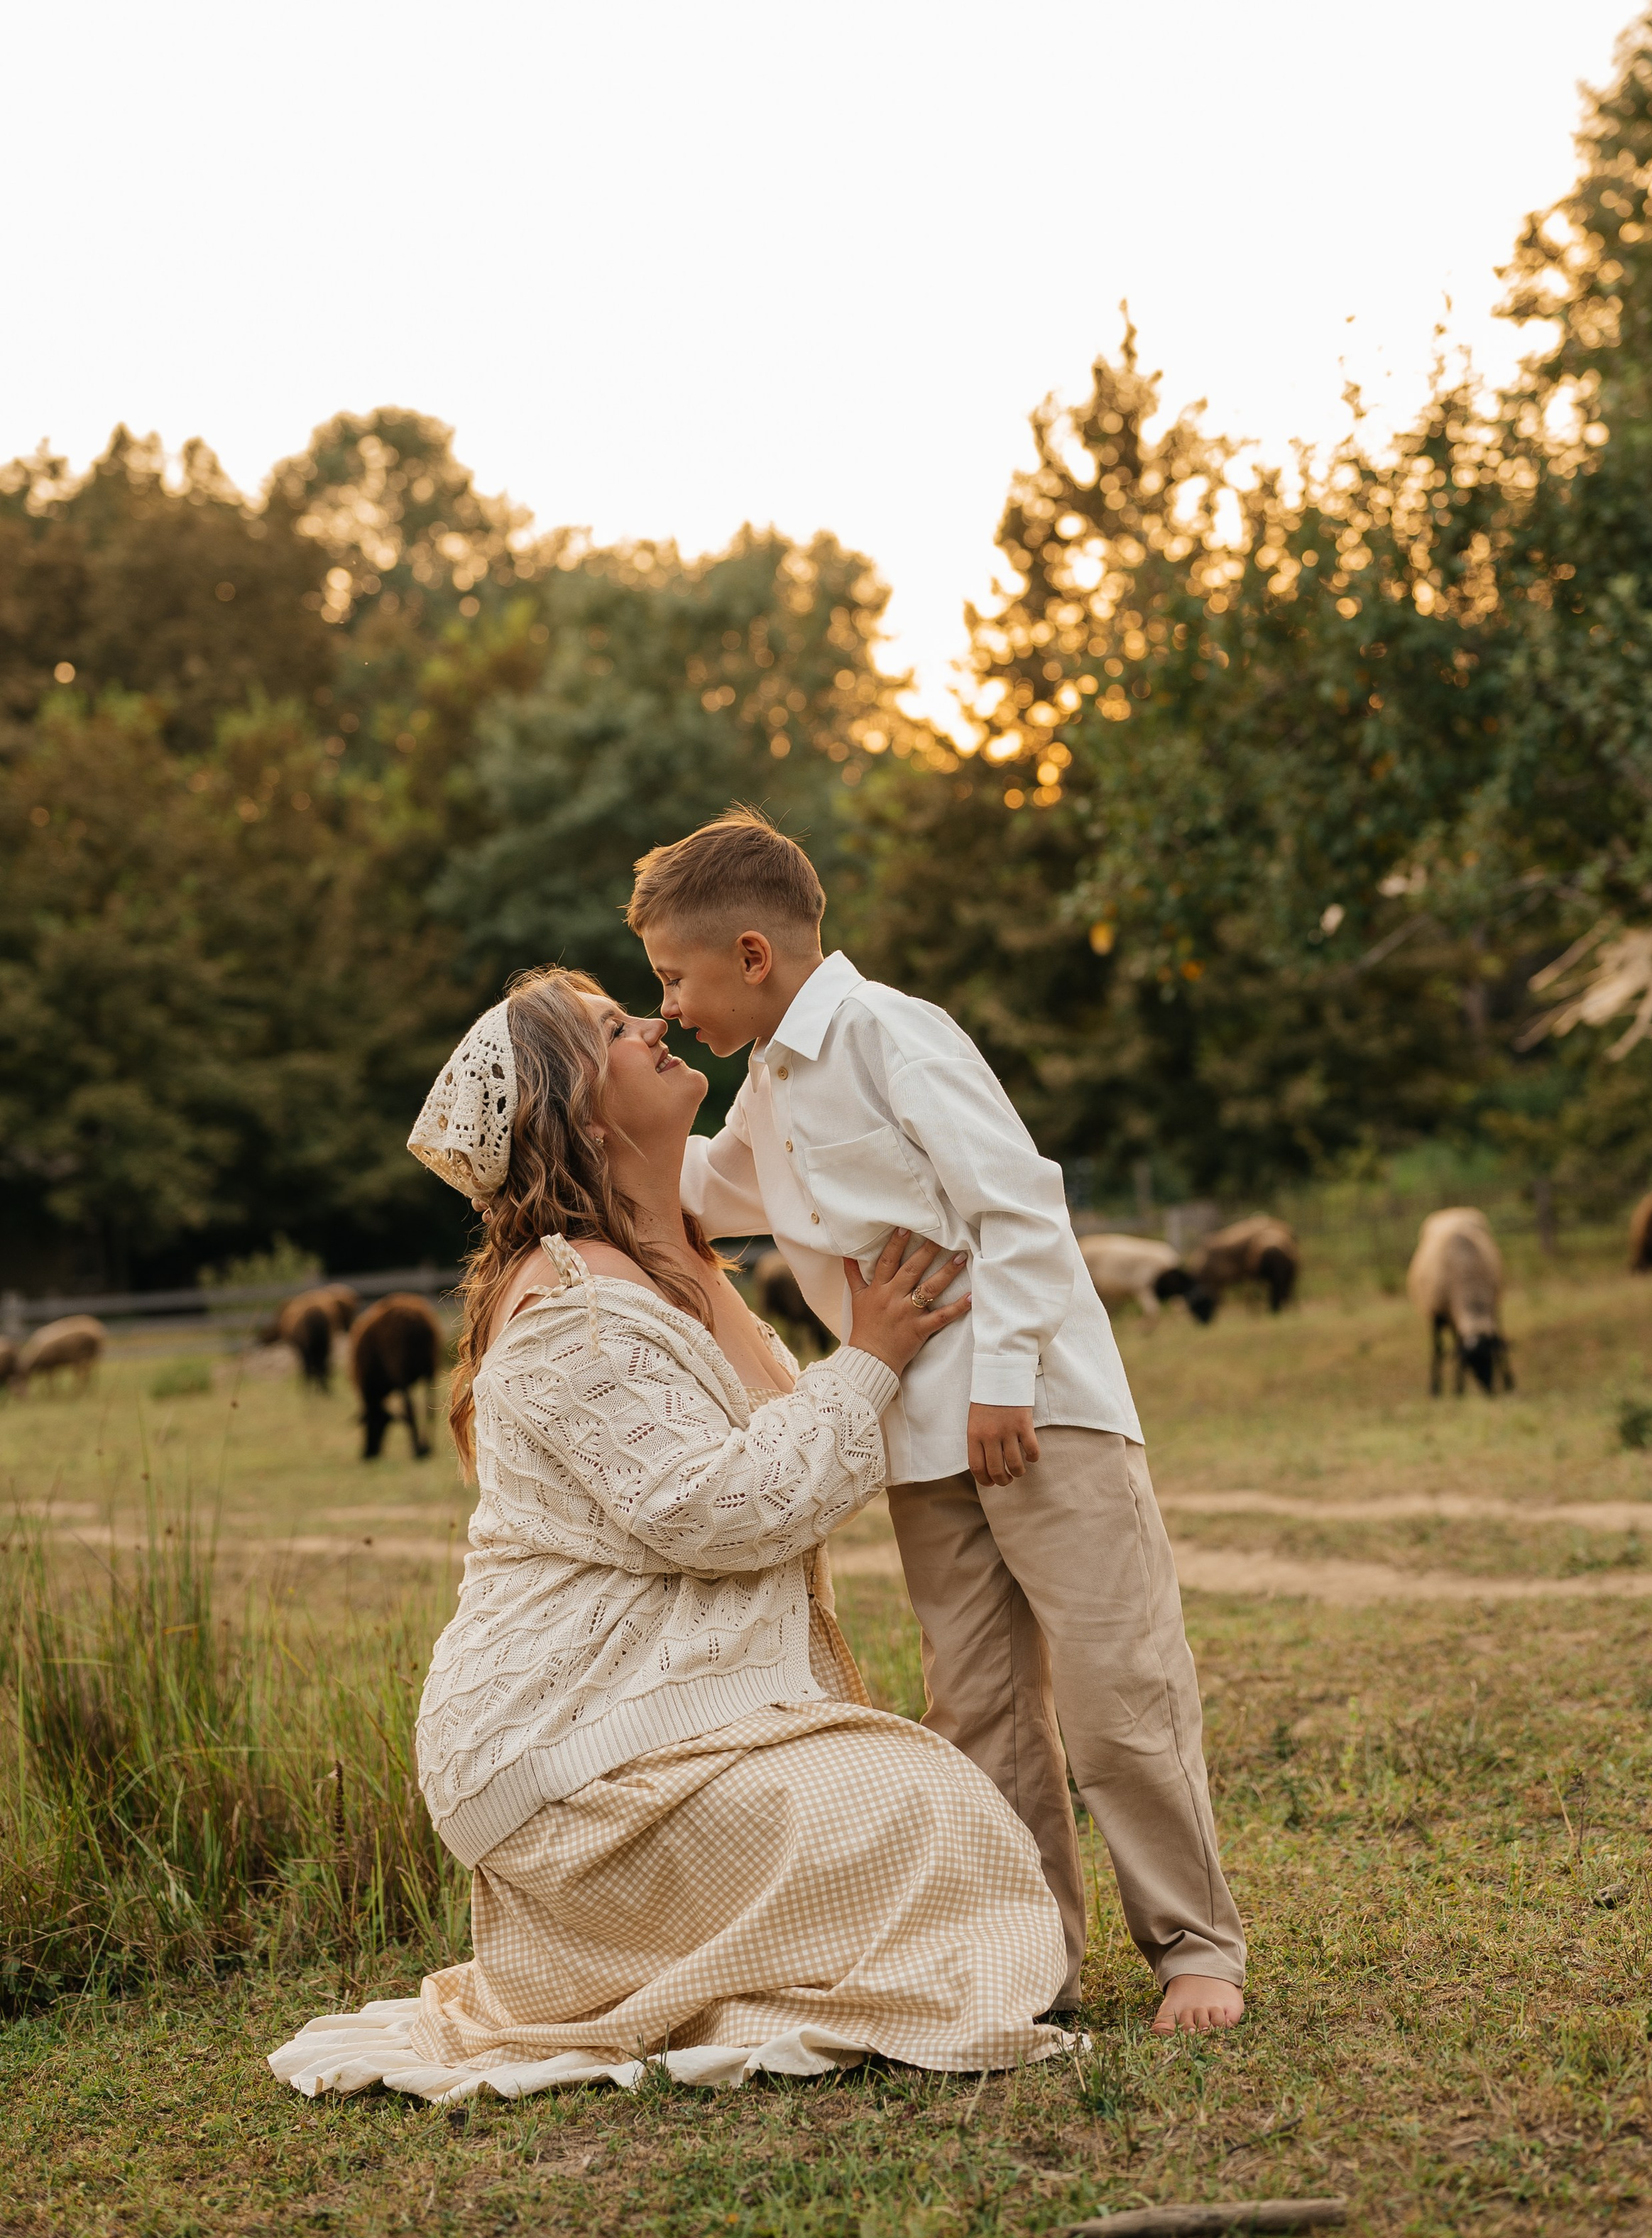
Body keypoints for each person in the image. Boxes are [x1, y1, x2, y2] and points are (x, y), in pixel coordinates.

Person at [268, 966, 1070, 2102]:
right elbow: (719, 1512)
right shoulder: (568, 1308)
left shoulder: (690, 1263)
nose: (653, 1022)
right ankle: (630, 1968)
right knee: (923, 1802)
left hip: (663, 1722)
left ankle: (696, 1968)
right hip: (568, 1747)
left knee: (924, 1794)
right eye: (612, 1027)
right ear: (581, 1112)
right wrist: (873, 1359)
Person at [631, 811, 1247, 2036]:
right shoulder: (766, 1084)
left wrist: (1005, 1379)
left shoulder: (889, 1033)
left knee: (1118, 1689)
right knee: (978, 1710)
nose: (666, 1008)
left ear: (752, 956)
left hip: (1035, 1413)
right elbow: (710, 1189)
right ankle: (1031, 1966)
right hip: (914, 1437)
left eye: (673, 978)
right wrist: (590, 1145)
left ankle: (1196, 1946)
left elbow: (1020, 1203)